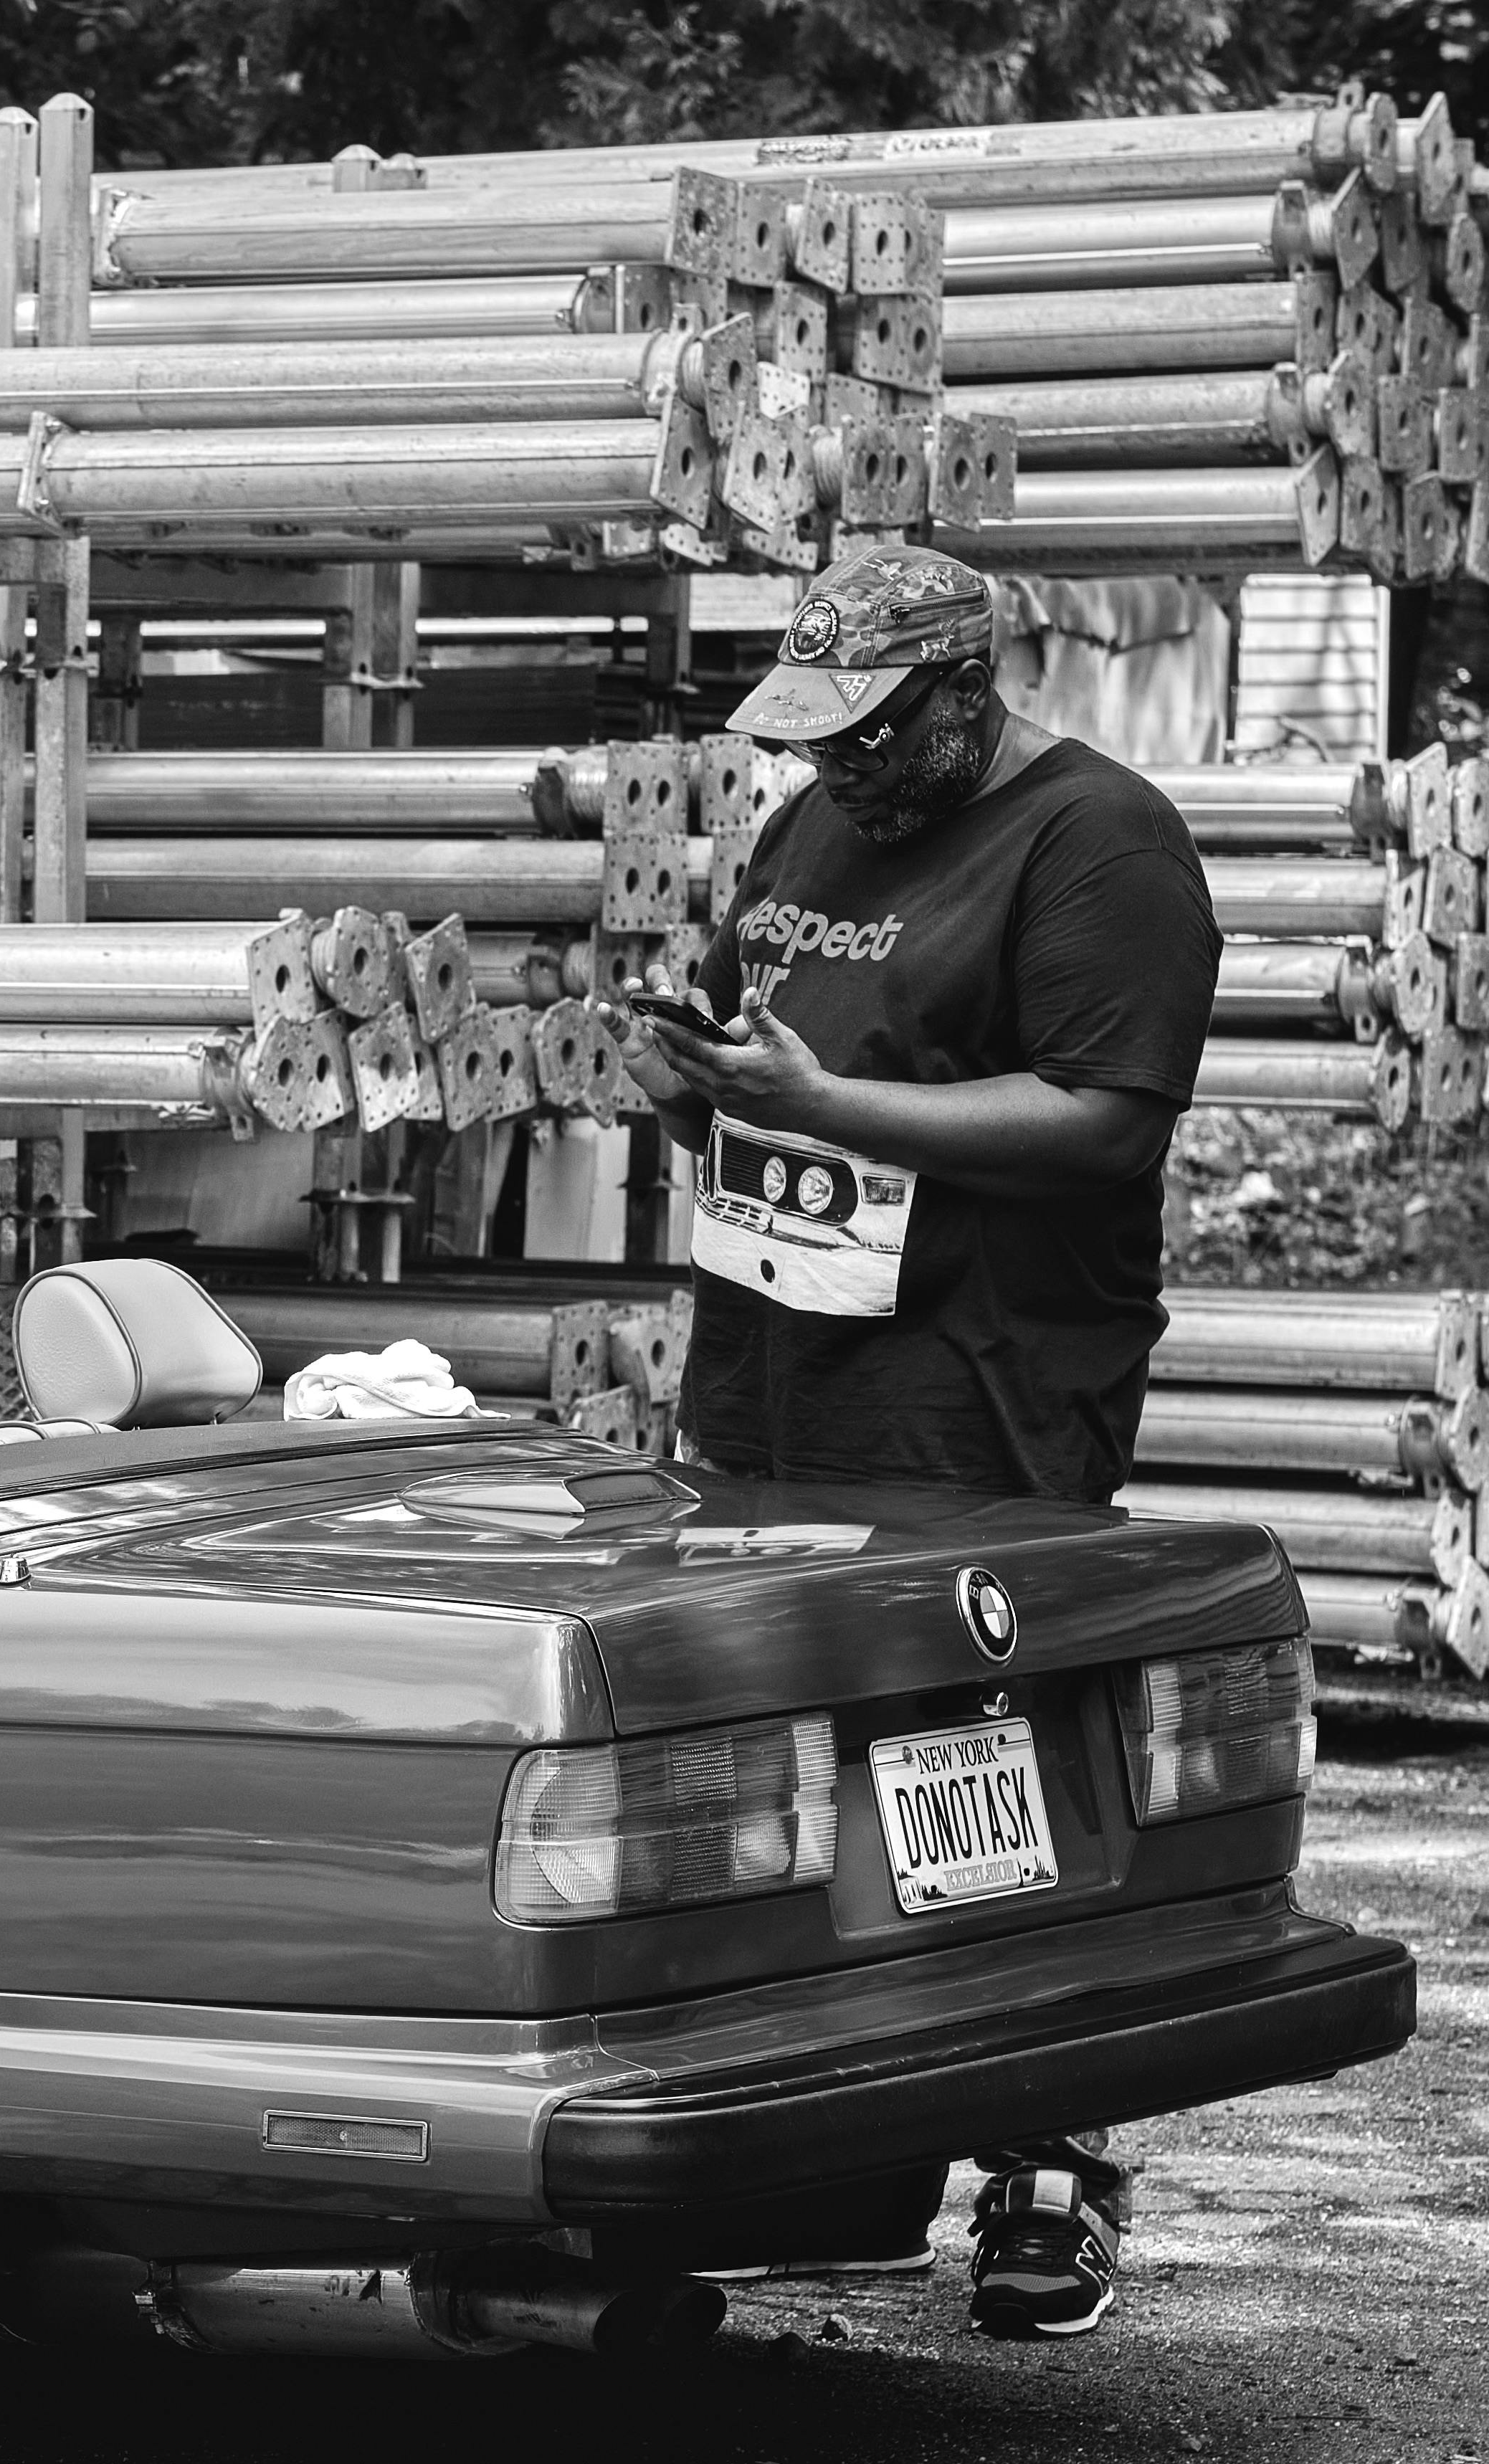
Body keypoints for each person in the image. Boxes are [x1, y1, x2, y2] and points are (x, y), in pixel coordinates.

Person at [609, 541, 1221, 2340]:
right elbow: (762, 1055)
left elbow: (1109, 1122)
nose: (842, 773)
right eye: (820, 743)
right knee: (782, 1736)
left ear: (970, 691)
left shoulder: (1100, 842)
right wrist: (691, 1084)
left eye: (873, 738)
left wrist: (827, 1104)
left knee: (994, 1753)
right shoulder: (810, 831)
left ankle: (1049, 2154)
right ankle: (807, 2126)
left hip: (983, 1370)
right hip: (776, 1362)